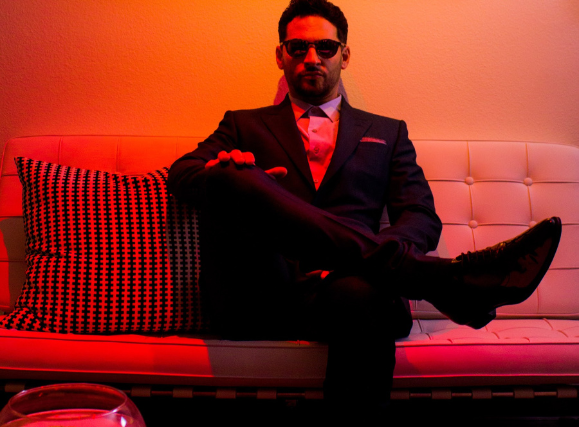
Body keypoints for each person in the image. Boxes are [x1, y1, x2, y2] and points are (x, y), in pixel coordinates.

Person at [168, 0, 561, 420]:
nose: (311, 58)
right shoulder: (244, 124)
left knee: (361, 293)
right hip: (264, 292)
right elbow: (181, 174)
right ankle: (440, 280)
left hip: (351, 290)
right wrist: (241, 177)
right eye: (298, 48)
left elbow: (420, 216)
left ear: (345, 55)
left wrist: (360, 264)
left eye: (325, 47)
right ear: (280, 55)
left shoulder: (387, 132)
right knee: (227, 175)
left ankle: (399, 273)